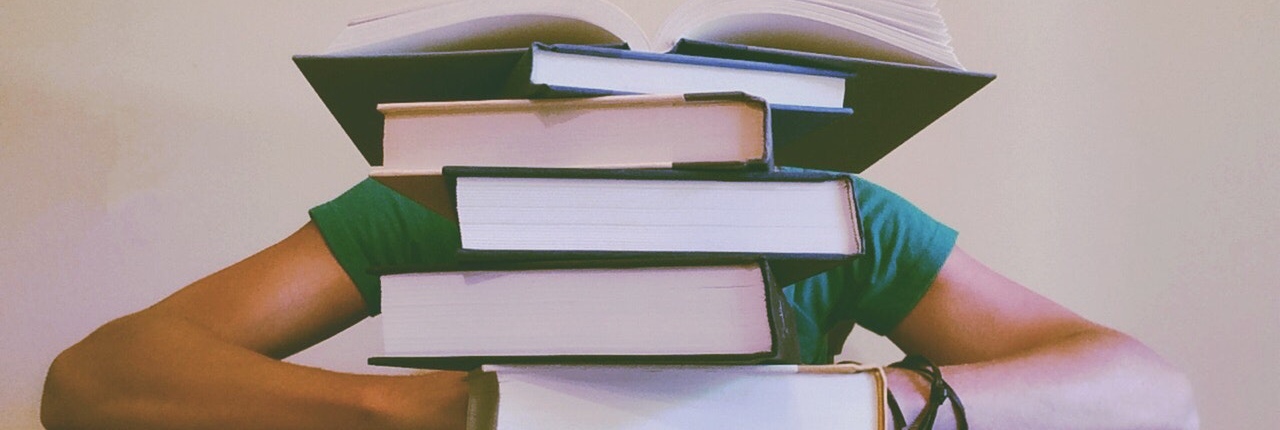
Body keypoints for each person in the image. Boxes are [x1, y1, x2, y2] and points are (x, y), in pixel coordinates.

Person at [40, 176, 1198, 429]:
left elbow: (1149, 392)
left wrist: (867, 407)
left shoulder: (829, 217)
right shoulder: (441, 202)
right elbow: (94, 382)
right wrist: (441, 411)